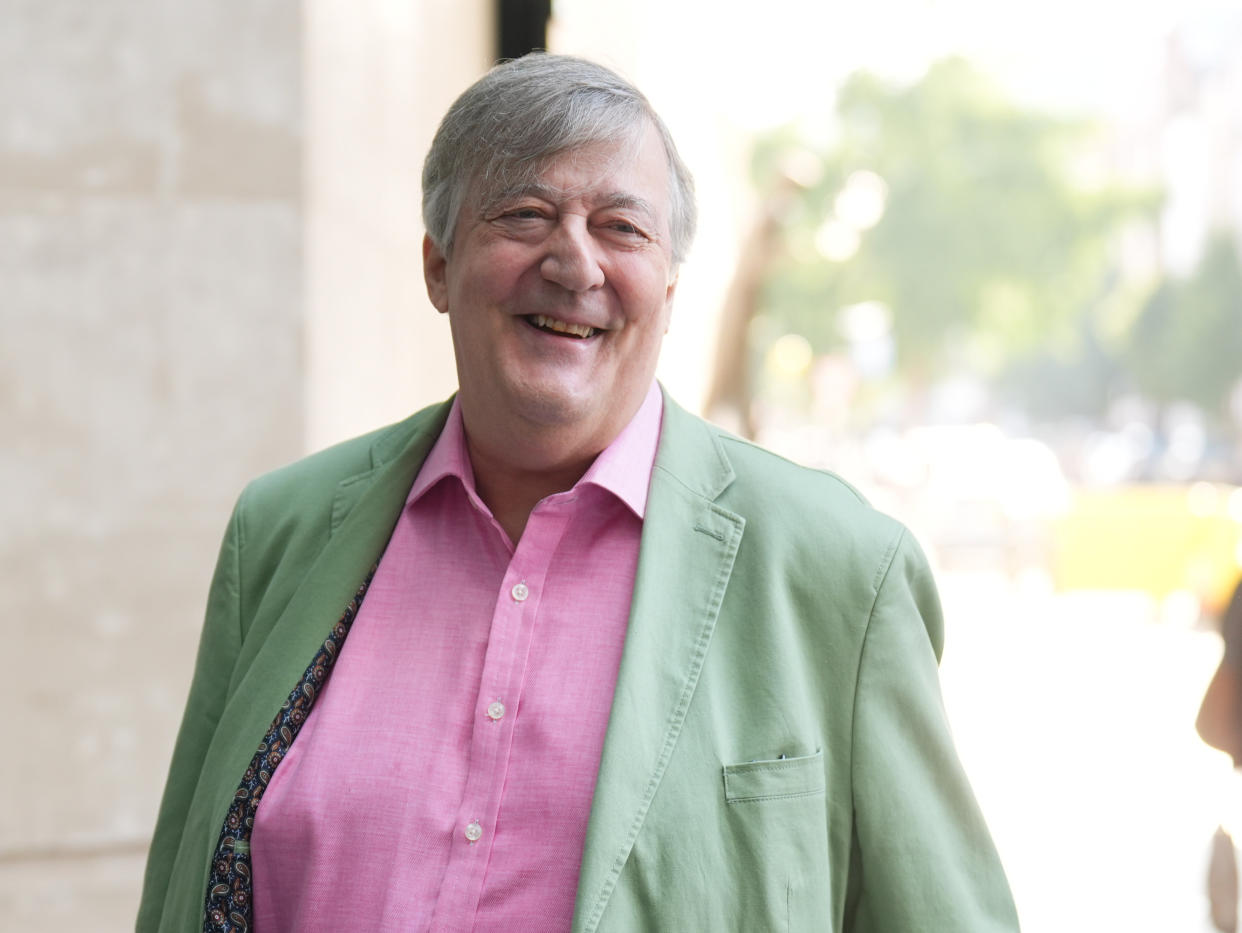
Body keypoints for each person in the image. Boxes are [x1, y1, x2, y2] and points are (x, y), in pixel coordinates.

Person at [136, 53, 1018, 932]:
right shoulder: (283, 533)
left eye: (622, 228)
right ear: (438, 266)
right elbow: (182, 888)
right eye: (524, 215)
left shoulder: (841, 572)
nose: (574, 263)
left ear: (669, 286)